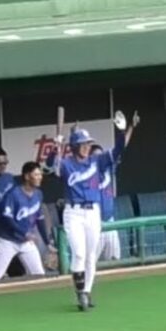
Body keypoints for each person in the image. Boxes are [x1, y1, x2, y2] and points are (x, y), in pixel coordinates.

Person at [47, 124, 128, 311]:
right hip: (73, 212)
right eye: (83, 144)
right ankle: (80, 291)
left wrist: (121, 132)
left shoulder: (96, 161)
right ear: (74, 146)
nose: (86, 147)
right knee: (79, 254)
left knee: (91, 255)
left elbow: (118, 150)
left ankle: (86, 291)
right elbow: (51, 166)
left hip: (93, 211)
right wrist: (55, 146)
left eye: (88, 144)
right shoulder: (66, 164)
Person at [92, 110, 139, 261]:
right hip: (94, 224)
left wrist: (130, 127)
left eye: (101, 154)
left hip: (110, 221)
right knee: (89, 263)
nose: (101, 157)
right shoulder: (86, 173)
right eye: (96, 155)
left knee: (115, 260)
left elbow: (121, 147)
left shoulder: (109, 167)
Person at [0, 162, 50, 280]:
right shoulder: (13, 194)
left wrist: (47, 242)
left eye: (40, 174)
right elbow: (8, 218)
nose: (40, 177)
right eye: (36, 175)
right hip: (7, 240)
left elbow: (40, 219)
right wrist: (24, 233)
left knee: (39, 275)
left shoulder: (38, 194)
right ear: (27, 176)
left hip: (25, 242)